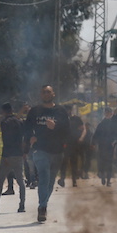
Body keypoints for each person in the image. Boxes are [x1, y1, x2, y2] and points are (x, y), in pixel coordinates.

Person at [25, 85, 69, 222]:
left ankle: (44, 204)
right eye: (43, 92)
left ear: (53, 94)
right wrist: (30, 138)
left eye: (48, 92)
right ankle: (42, 208)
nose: (46, 94)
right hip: (40, 150)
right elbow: (26, 128)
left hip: (57, 151)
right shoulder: (34, 111)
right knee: (44, 178)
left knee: (50, 182)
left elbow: (67, 130)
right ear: (41, 95)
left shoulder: (61, 111)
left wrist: (55, 127)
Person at [0, 102, 25, 213]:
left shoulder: (4, 123)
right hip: (18, 154)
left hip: (8, 155)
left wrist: (5, 156)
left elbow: (6, 139)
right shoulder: (20, 122)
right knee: (21, 181)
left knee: (0, 180)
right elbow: (23, 137)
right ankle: (22, 205)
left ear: (3, 111)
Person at [58, 104, 84, 188]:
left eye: (68, 110)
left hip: (74, 143)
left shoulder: (76, 119)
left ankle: (74, 180)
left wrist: (81, 138)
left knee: (74, 163)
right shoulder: (62, 119)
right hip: (64, 144)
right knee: (63, 163)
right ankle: (62, 179)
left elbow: (83, 129)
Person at [92, 107, 117, 186]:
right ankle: (103, 177)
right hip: (102, 146)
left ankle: (108, 180)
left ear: (111, 113)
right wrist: (93, 143)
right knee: (102, 163)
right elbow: (96, 135)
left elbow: (116, 135)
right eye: (106, 112)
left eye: (109, 112)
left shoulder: (113, 124)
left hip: (110, 146)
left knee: (109, 163)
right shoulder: (101, 124)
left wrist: (115, 142)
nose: (107, 114)